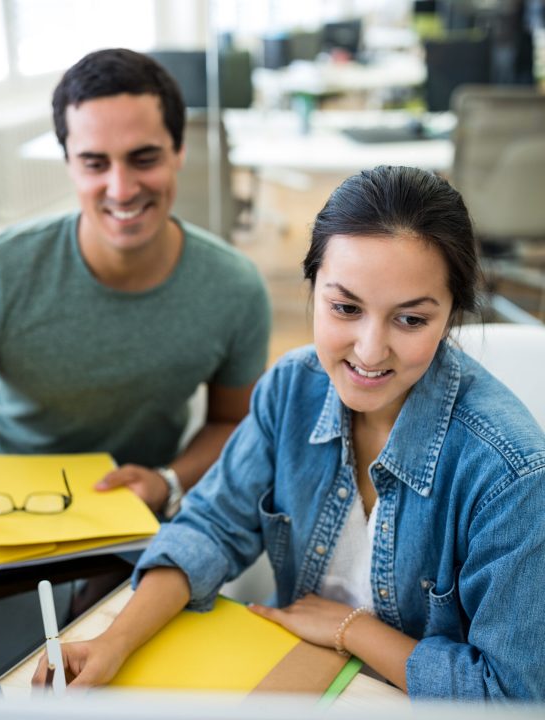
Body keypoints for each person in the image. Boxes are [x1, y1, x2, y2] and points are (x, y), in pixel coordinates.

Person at [32, 166, 545, 700]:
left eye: (411, 320)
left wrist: (354, 630)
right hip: (296, 682)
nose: (369, 351)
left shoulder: (513, 475)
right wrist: (113, 642)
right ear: (313, 287)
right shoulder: (291, 389)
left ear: (451, 315)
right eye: (345, 308)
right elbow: (210, 526)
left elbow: (514, 696)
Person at [0, 48, 270, 564]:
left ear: (179, 150)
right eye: (95, 163)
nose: (121, 188)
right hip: (1, 534)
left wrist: (169, 481)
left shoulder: (234, 287)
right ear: (69, 163)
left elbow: (234, 424)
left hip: (139, 532)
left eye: (144, 158)